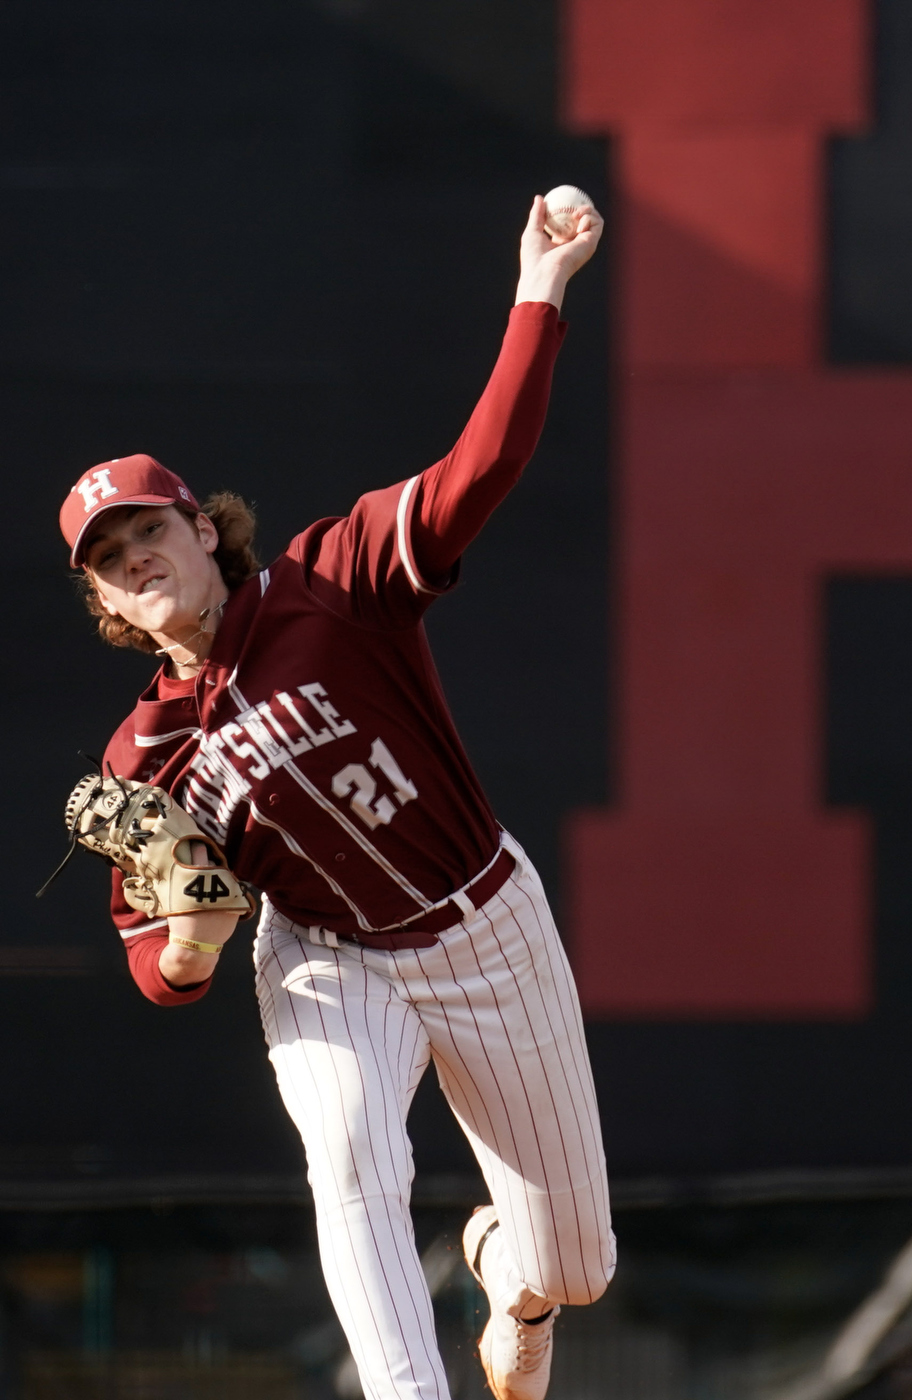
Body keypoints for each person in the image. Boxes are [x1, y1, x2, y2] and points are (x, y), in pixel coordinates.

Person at [57, 196, 614, 1400]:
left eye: (147, 529)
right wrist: (198, 943)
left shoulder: (333, 579)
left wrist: (539, 289)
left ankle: (506, 1271)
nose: (134, 558)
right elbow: (156, 966)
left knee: (578, 1267)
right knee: (349, 1154)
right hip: (326, 954)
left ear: (205, 529)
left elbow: (484, 468)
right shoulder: (139, 760)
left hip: (482, 920)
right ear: (107, 607)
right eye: (109, 559)